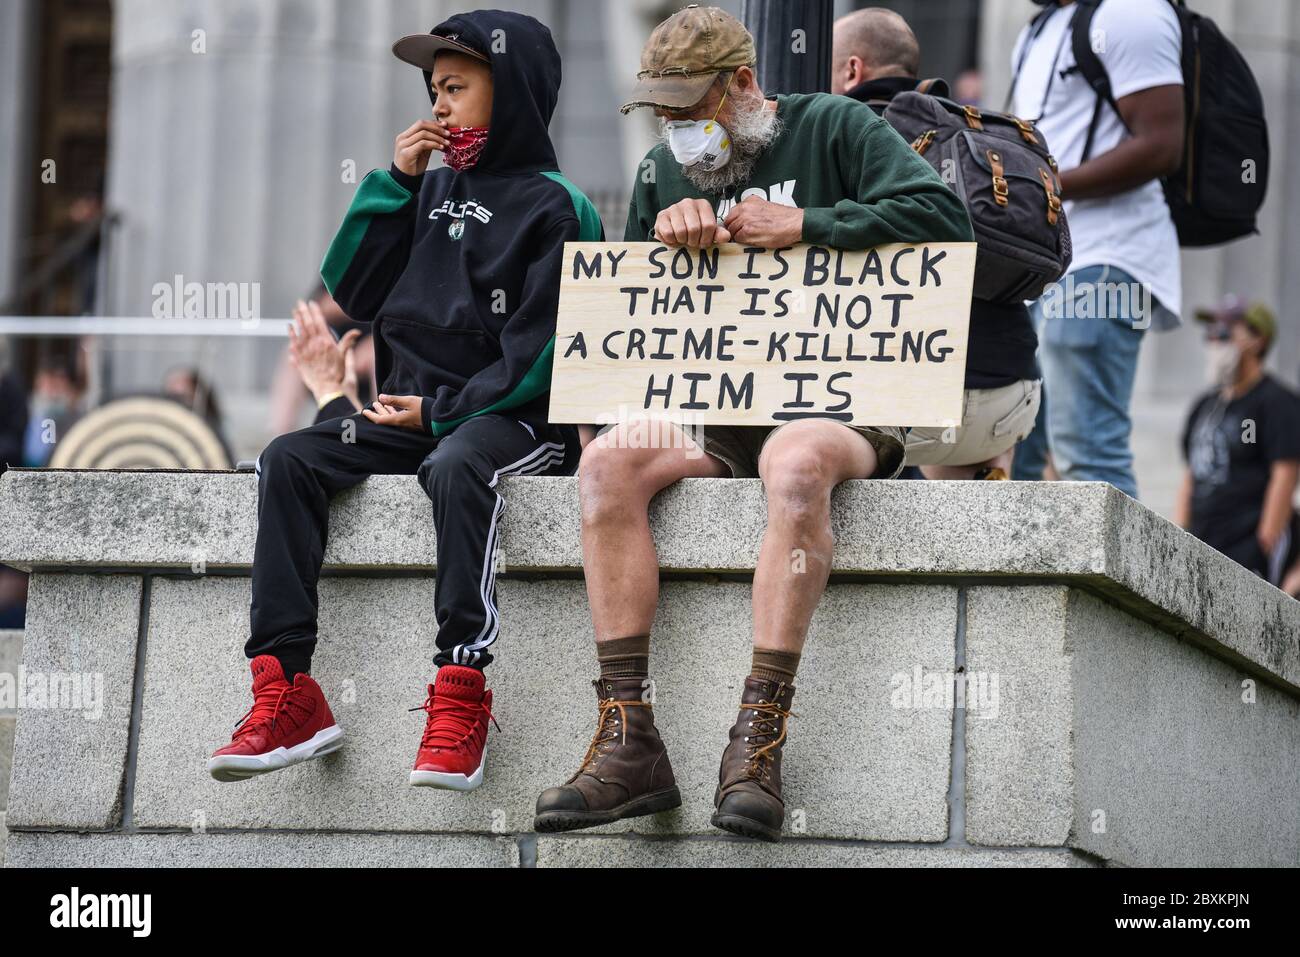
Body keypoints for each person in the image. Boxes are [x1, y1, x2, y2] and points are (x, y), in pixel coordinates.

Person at [532, 5, 973, 842]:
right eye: (664, 116)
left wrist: (809, 224)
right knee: (606, 468)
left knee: (798, 463)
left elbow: (944, 220)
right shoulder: (665, 171)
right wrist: (664, 240)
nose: (677, 133)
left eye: (690, 112)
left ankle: (757, 740)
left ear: (743, 84)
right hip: (718, 405)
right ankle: (630, 737)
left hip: (844, 397)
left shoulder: (835, 124)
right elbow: (640, 335)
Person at [207, 10, 602, 791]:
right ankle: (286, 689)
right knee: (288, 457)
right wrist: (392, 186)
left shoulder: (559, 207)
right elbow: (351, 290)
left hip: (512, 421)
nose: (439, 107)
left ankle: (461, 689)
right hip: (407, 416)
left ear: (513, 90)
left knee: (457, 463)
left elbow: (544, 355)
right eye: (433, 91)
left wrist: (445, 412)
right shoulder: (421, 187)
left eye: (456, 88)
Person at [833, 7, 1041, 480]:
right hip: (1013, 399)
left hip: (910, 409)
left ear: (851, 70)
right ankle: (986, 477)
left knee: (799, 434)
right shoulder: (958, 135)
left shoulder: (837, 134)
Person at [1008, 0, 1186, 499]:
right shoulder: (1039, 29)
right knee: (1015, 444)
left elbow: (1161, 144)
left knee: (1086, 449)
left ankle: (1117, 580)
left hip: (1107, 255)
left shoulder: (1131, 13)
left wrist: (1045, 188)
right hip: (1040, 260)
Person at [1176, 299, 1300, 591]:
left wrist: (1266, 539)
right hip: (1205, 539)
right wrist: (1179, 533)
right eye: (1211, 332)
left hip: (1248, 542)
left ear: (1257, 340)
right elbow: (1192, 472)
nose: (1214, 342)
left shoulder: (1275, 402)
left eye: (1225, 333)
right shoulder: (1205, 405)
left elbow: (1285, 472)